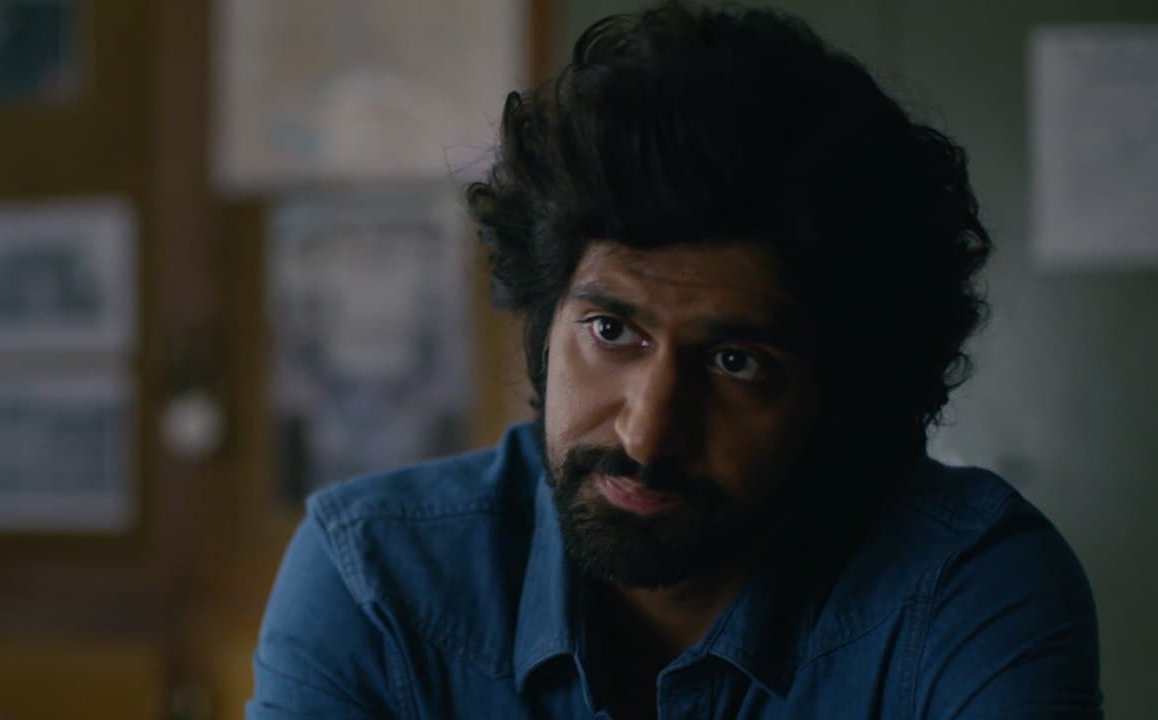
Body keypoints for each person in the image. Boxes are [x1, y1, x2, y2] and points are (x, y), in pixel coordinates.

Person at [246, 3, 1101, 718]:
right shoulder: (375, 583)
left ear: (841, 392)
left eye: (736, 361)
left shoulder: (966, 588)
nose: (648, 434)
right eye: (610, 332)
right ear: (545, 320)